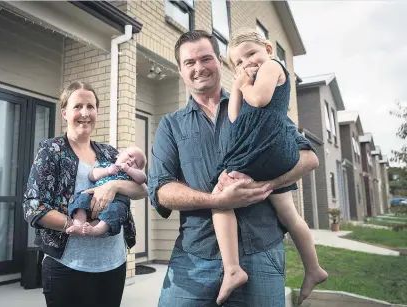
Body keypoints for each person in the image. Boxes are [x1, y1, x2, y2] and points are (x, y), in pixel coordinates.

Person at [148, 30, 319, 307]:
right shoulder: (171, 125)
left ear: (218, 60)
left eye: (206, 59)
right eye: (189, 63)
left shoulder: (257, 106)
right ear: (180, 70)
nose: (199, 68)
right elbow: (161, 190)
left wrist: (264, 185)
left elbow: (309, 158)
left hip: (262, 251)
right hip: (195, 255)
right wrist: (217, 200)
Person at [210, 28, 327, 305]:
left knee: (219, 198)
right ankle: (314, 268)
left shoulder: (273, 67)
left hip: (265, 149)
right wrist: (238, 85)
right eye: (238, 62)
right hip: (270, 156)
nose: (247, 63)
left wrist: (245, 84)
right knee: (289, 214)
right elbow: (236, 117)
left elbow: (260, 99)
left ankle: (233, 269)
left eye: (251, 54)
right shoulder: (249, 81)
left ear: (269, 49)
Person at [23, 81, 147, 307]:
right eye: (78, 106)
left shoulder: (110, 153)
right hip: (67, 266)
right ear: (64, 113)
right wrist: (75, 224)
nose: (85, 113)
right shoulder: (52, 150)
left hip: (112, 263)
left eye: (90, 106)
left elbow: (141, 189)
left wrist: (113, 186)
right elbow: (33, 207)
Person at [66, 146, 147, 236]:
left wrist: (128, 170)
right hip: (94, 195)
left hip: (117, 201)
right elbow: (92, 175)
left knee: (115, 211)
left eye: (136, 162)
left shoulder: (133, 176)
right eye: (130, 155)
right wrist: (107, 171)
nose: (132, 160)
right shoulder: (106, 165)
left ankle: (96, 230)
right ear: (119, 154)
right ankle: (79, 224)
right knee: (81, 197)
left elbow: (143, 179)